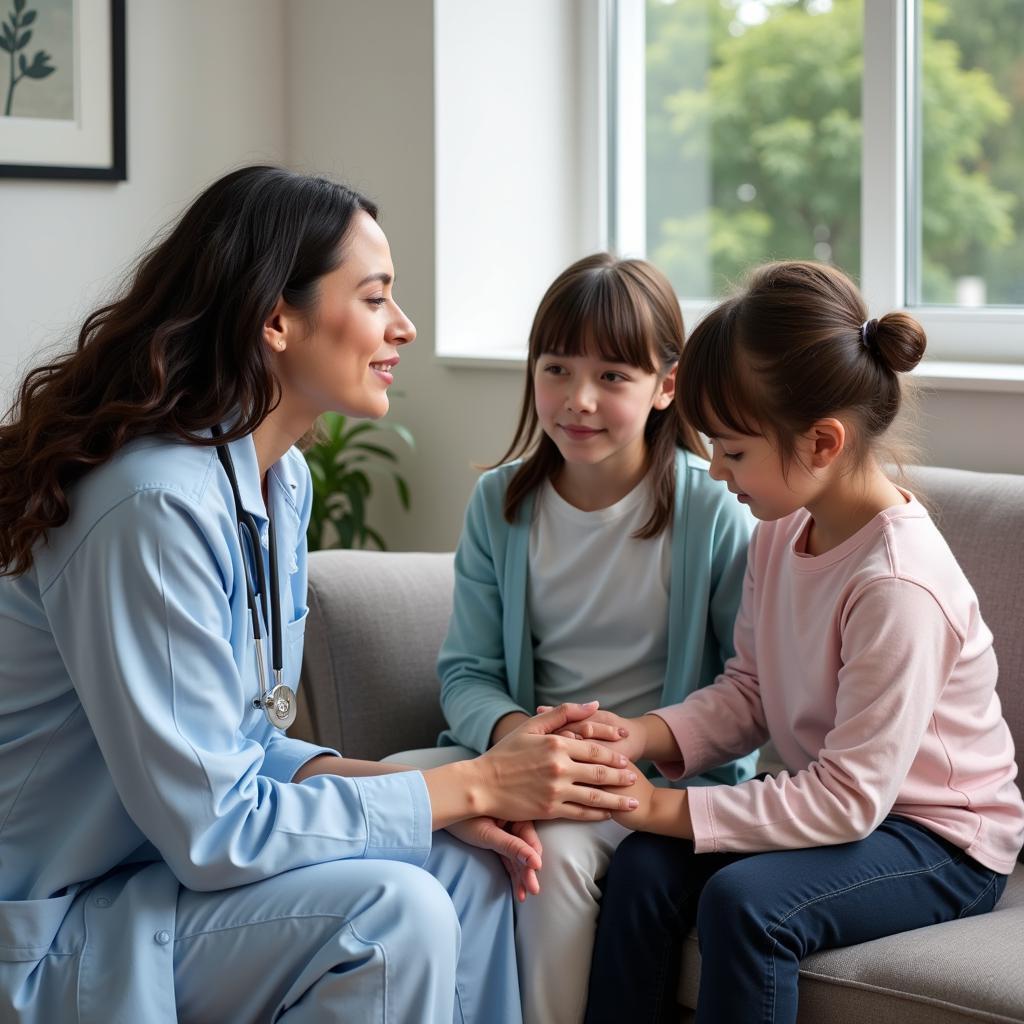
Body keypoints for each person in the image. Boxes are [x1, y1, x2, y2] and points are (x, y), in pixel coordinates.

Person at [0, 165, 641, 1024]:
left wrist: (455, 802)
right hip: (59, 923)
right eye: (375, 298)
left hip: (154, 880)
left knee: (471, 866)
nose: (404, 327)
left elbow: (240, 743)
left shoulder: (279, 480)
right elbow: (213, 827)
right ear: (275, 319)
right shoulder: (151, 505)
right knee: (391, 915)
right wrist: (477, 783)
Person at [580, 260, 1024, 1024]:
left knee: (747, 905)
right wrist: (639, 737)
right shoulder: (782, 529)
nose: (715, 469)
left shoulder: (896, 585)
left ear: (822, 442)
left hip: (942, 841)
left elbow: (850, 799)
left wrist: (665, 807)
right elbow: (751, 689)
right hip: (854, 810)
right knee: (646, 866)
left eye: (734, 450)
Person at [389, 253, 757, 1024]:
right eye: (556, 369)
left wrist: (620, 757)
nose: (578, 400)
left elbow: (745, 686)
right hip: (523, 755)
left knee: (550, 857)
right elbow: (467, 672)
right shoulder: (501, 503)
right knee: (387, 788)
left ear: (666, 386)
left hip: (650, 783)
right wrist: (520, 738)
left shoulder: (712, 512)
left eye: (614, 377)